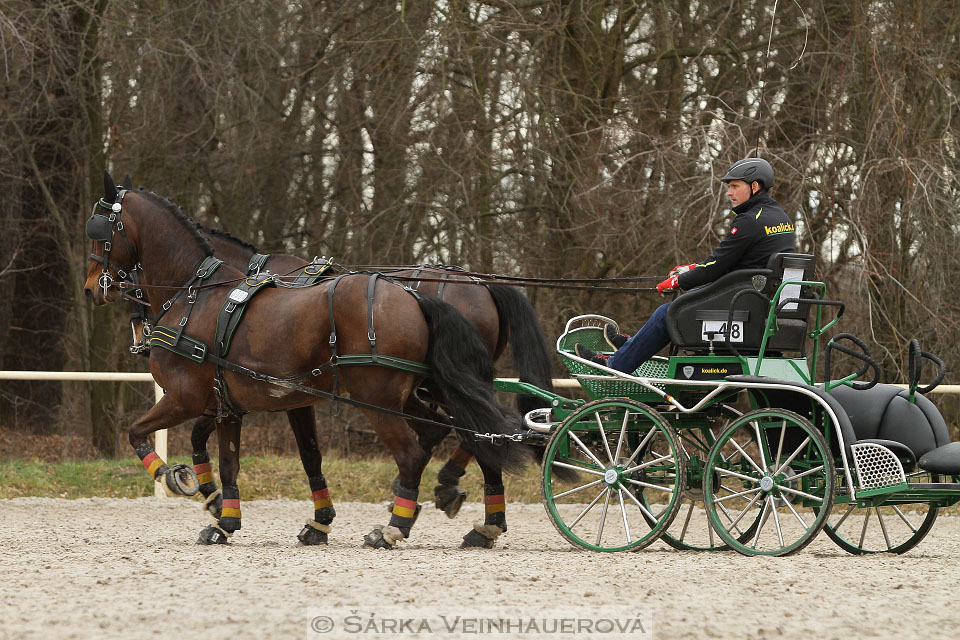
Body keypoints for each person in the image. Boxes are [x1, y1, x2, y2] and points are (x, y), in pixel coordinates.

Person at [575, 157, 796, 373]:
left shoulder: (750, 220)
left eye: (735, 186)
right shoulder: (781, 218)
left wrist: (679, 281)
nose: (729, 193)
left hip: (745, 309)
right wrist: (693, 269)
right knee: (686, 303)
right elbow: (739, 261)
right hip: (762, 304)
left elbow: (715, 267)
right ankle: (632, 345)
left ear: (755, 186)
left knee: (671, 312)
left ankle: (615, 365)